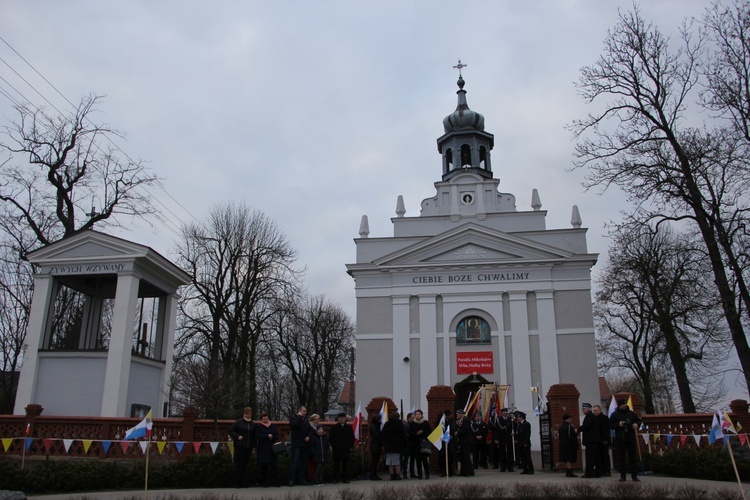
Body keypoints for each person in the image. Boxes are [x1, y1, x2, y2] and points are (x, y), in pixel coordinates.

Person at [610, 398, 642, 482]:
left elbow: (638, 420)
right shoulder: (615, 414)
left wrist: (636, 424)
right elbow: (610, 425)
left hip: (630, 437)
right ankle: (622, 476)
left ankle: (634, 475)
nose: (624, 405)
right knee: (621, 458)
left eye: (625, 404)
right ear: (619, 405)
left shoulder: (631, 413)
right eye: (622, 404)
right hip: (620, 438)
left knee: (633, 457)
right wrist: (618, 425)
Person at [228, 406, 257, 487]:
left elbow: (254, 435)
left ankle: (244, 482)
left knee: (245, 465)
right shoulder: (238, 422)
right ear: (244, 414)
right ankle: (236, 483)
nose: (248, 415)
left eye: (249, 414)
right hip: (240, 446)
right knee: (239, 465)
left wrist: (254, 445)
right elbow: (230, 430)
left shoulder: (252, 424)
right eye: (247, 414)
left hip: (249, 447)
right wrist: (237, 437)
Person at [254, 412, 281, 487]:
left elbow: (277, 435)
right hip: (263, 448)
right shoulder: (259, 426)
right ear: (261, 419)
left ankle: (275, 482)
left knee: (274, 466)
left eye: (266, 418)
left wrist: (272, 436)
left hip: (272, 448)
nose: (265, 420)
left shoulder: (272, 426)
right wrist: (266, 436)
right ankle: (264, 482)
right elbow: (257, 436)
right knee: (264, 466)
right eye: (264, 419)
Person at [329, 412, 355, 483]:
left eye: (343, 418)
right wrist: (334, 446)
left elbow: (352, 438)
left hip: (345, 449)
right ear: (338, 419)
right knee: (336, 464)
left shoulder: (349, 428)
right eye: (340, 418)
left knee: (345, 465)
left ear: (345, 419)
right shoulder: (334, 428)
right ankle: (335, 478)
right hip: (337, 449)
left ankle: (345, 478)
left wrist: (349, 446)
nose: (341, 419)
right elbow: (331, 438)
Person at [288, 406, 311, 486]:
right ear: (299, 411)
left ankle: (301, 479)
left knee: (303, 463)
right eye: (304, 411)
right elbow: (295, 425)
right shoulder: (293, 418)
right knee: (294, 462)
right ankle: (291, 480)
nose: (305, 413)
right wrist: (299, 416)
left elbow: (310, 429)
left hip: (304, 444)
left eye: (306, 411)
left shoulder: (306, 420)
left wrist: (308, 436)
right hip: (297, 444)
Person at [382, 411, 407, 480]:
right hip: (397, 445)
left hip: (388, 446)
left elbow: (383, 435)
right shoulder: (399, 424)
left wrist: (384, 445)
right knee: (397, 461)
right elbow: (403, 434)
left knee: (390, 461)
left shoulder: (387, 424)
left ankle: (392, 475)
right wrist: (405, 444)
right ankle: (398, 475)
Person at [408, 409, 432, 479]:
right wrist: (416, 433)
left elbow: (429, 432)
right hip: (416, 444)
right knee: (418, 460)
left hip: (424, 443)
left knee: (425, 460)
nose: (418, 416)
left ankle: (427, 474)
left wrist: (423, 432)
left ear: (421, 415)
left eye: (419, 414)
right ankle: (420, 474)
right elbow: (410, 433)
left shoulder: (425, 423)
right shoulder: (413, 424)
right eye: (416, 414)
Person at [578, 402, 600, 478]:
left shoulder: (589, 416)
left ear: (588, 409)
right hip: (592, 440)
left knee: (590, 458)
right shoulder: (590, 416)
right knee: (593, 457)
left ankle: (589, 473)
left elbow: (586, 426)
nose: (583, 410)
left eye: (584, 409)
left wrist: (578, 429)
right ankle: (596, 472)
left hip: (591, 440)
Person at [593, 405, 612, 477]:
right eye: (593, 410)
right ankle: (601, 470)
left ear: (600, 410)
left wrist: (606, 439)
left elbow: (606, 430)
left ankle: (607, 471)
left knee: (605, 455)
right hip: (598, 440)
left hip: (604, 440)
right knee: (599, 456)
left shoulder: (604, 418)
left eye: (595, 410)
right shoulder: (595, 418)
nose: (594, 412)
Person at [558, 413, 579, 477]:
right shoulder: (569, 426)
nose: (571, 419)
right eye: (570, 418)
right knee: (569, 459)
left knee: (566, 459)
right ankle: (570, 472)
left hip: (563, 444)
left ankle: (568, 472)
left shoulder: (561, 426)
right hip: (569, 445)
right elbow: (571, 436)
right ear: (567, 419)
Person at [436, 409, 455, 477]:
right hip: (442, 442)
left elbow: (452, 429)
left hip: (449, 442)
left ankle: (450, 471)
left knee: (449, 457)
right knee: (442, 458)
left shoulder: (451, 421)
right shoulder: (440, 422)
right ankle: (442, 471)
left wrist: (451, 435)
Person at [455, 409, 474, 476]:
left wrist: (457, 433)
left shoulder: (466, 421)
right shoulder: (459, 421)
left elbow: (465, 430)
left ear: (461, 414)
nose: (457, 415)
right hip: (461, 441)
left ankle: (467, 472)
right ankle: (463, 472)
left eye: (458, 414)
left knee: (466, 457)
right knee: (463, 457)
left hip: (466, 441)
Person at [496, 408, 514, 472]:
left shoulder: (510, 419)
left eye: (506, 413)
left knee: (510, 453)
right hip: (502, 438)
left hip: (509, 438)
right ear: (502, 413)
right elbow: (497, 430)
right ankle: (503, 467)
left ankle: (510, 467)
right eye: (504, 413)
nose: (505, 414)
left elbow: (513, 427)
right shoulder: (499, 420)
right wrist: (496, 439)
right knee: (502, 453)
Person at [306, 414, 321, 483]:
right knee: (311, 464)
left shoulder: (319, 427)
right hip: (310, 447)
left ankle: (316, 478)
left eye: (318, 419)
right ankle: (311, 478)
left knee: (316, 464)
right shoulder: (309, 427)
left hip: (317, 447)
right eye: (316, 419)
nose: (317, 421)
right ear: (312, 420)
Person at [368, 413, 383, 480]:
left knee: (375, 460)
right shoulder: (374, 426)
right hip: (375, 445)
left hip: (375, 445)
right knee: (374, 461)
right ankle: (372, 475)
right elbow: (377, 435)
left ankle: (373, 474)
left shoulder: (373, 425)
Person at [403, 412, 415, 478]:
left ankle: (412, 473)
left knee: (412, 459)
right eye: (412, 418)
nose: (413, 419)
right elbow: (405, 434)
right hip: (408, 444)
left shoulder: (414, 424)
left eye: (413, 418)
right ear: (408, 418)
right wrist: (411, 436)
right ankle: (405, 472)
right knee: (406, 459)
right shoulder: (406, 425)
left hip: (413, 444)